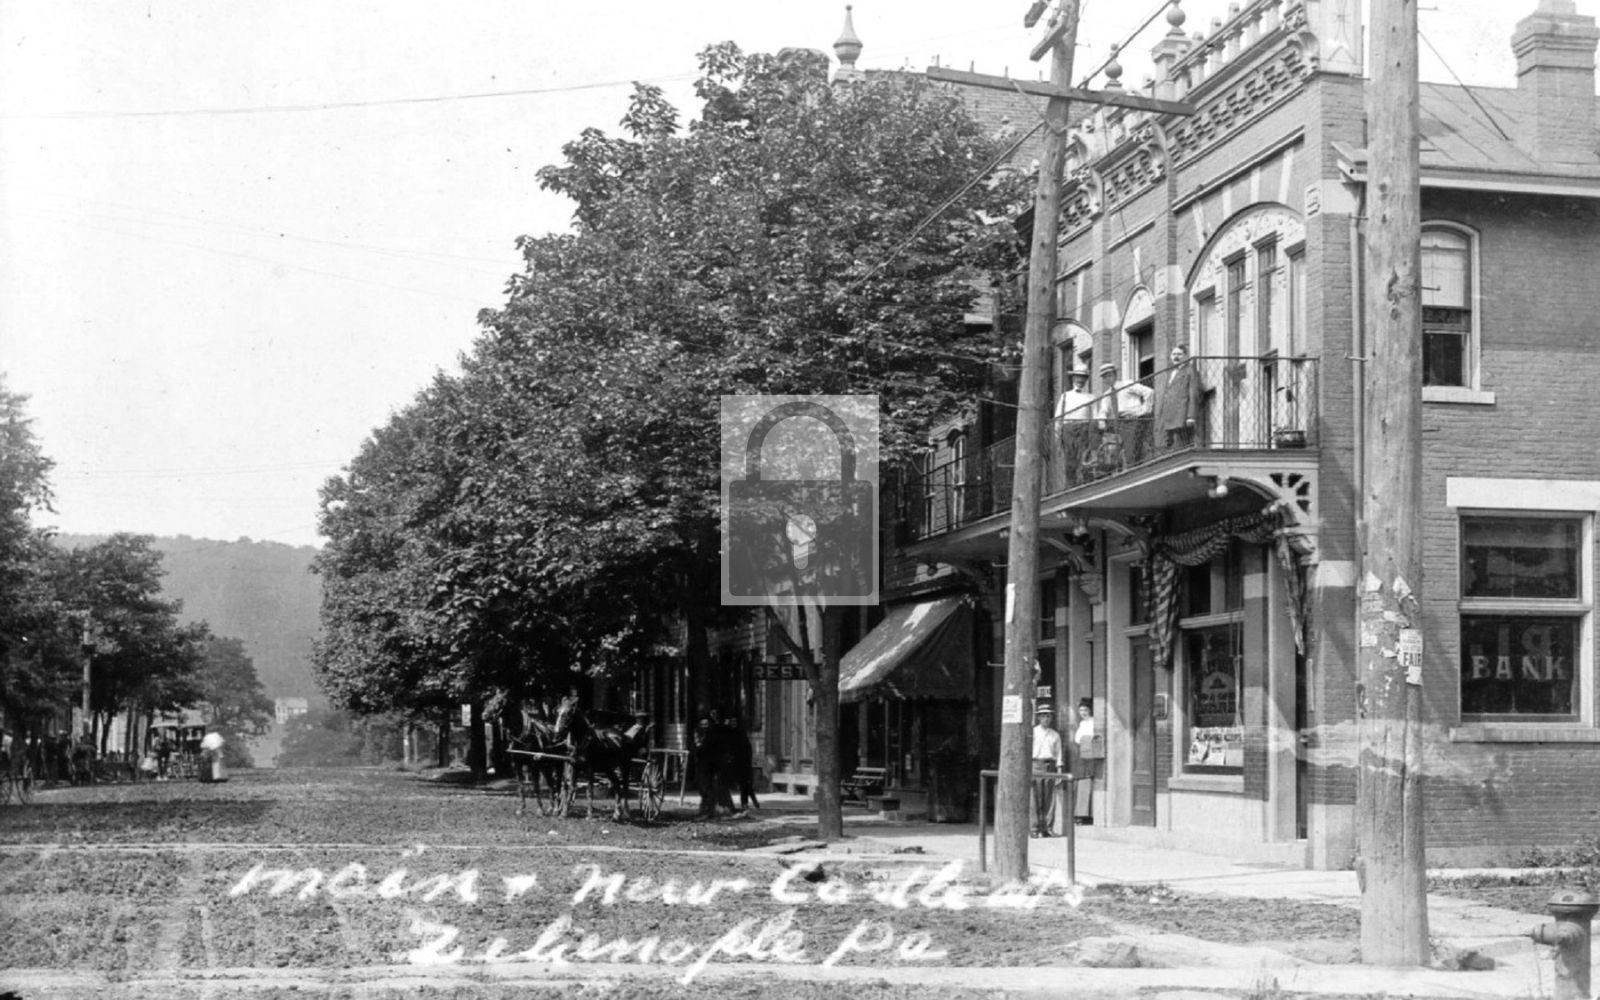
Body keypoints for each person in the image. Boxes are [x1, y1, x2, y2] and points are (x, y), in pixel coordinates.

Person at [1155, 344, 1204, 449]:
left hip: (1181, 416)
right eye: (1173, 354)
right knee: (1168, 447)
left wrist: (1191, 416)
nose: (1176, 357)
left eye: (1179, 354)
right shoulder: (1170, 373)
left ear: (1185, 356)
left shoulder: (1190, 371)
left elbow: (1193, 393)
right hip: (1168, 416)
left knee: (1181, 446)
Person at [1031, 703, 1065, 838]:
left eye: (1048, 716)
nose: (1045, 718)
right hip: (1035, 764)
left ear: (1051, 718)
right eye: (1043, 716)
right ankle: (1034, 828)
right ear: (1038, 718)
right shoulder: (1033, 732)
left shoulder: (1055, 735)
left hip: (1050, 765)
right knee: (1035, 798)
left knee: (1049, 799)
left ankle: (1048, 828)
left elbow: (1059, 754)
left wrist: (1059, 771)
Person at [1073, 698, 1097, 826]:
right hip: (1081, 756)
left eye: (1086, 710)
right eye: (1081, 710)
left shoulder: (1093, 723)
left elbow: (1092, 739)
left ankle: (1086, 814)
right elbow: (1077, 739)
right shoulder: (1082, 723)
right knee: (1080, 782)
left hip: (1090, 756)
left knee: (1087, 782)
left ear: (1090, 710)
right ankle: (1079, 813)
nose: (1083, 713)